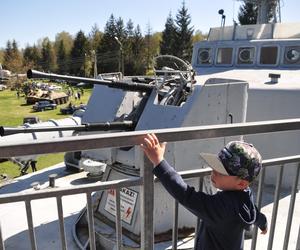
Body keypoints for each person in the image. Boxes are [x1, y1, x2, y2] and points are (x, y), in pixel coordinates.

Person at [140, 133, 268, 250]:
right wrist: (262, 222)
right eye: (215, 167)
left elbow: (186, 195)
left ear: (241, 183)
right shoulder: (244, 195)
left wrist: (159, 161)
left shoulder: (221, 208)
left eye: (220, 172)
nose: (213, 172)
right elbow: (254, 212)